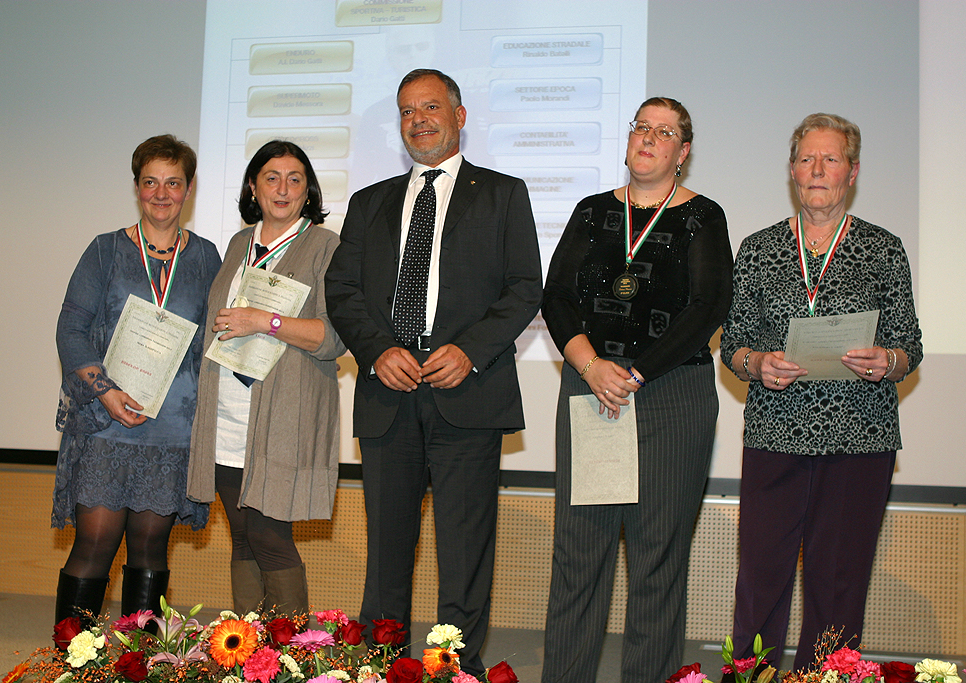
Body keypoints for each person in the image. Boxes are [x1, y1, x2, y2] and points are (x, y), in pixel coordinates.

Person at [324, 68, 542, 675]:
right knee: (386, 553)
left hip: (467, 393)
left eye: (430, 107)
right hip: (388, 395)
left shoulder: (502, 194)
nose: (418, 120)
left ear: (459, 116)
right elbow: (341, 290)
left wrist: (470, 350)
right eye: (406, 111)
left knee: (464, 554)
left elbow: (525, 287)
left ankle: (455, 670)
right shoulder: (369, 203)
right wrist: (376, 351)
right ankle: (380, 666)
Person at [541, 97, 733, 683]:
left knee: (656, 560)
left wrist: (636, 372)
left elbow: (708, 308)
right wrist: (591, 366)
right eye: (641, 127)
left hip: (670, 395)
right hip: (591, 389)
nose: (649, 138)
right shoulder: (593, 210)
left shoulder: (704, 216)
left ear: (684, 151)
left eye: (664, 132)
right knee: (580, 555)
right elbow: (557, 297)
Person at [722, 113, 923, 669]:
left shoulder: (883, 248)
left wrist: (888, 360)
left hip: (860, 437)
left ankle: (826, 679)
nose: (817, 169)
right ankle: (753, 679)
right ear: (791, 170)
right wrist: (757, 362)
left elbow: (909, 345)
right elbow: (733, 344)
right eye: (806, 158)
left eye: (830, 159)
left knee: (839, 581)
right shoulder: (759, 248)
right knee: (761, 575)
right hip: (775, 432)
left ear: (851, 173)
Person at [53, 134, 221, 625]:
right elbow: (70, 330)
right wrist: (105, 393)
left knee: (150, 551)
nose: (161, 193)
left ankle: (140, 660)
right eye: (151, 182)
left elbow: (218, 335)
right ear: (136, 187)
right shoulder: (104, 250)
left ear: (188, 189)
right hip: (107, 424)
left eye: (173, 182)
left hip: (172, 432)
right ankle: (71, 661)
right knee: (94, 546)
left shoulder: (207, 256)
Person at [187, 140, 345, 616]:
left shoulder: (326, 247)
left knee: (269, 537)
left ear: (308, 191)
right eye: (271, 178)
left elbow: (335, 337)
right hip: (227, 417)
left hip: (283, 418)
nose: (283, 188)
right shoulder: (238, 245)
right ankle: (247, 649)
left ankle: (293, 649)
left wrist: (265, 321)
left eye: (295, 179)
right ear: (253, 188)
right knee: (242, 537)